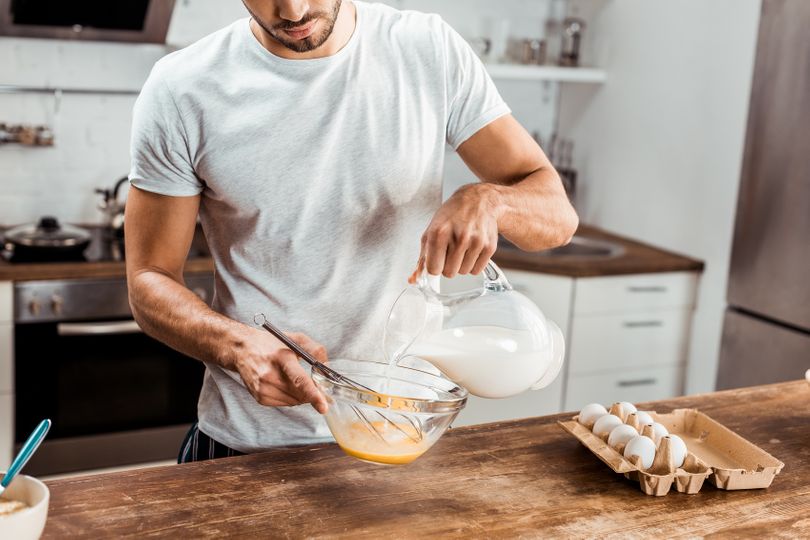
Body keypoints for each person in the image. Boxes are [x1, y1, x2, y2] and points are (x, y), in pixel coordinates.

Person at [125, 0, 578, 462]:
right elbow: (149, 281)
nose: (293, 10)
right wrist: (235, 345)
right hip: (248, 447)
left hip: (402, 438)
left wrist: (490, 200)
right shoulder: (182, 87)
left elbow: (557, 218)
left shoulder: (427, 49)